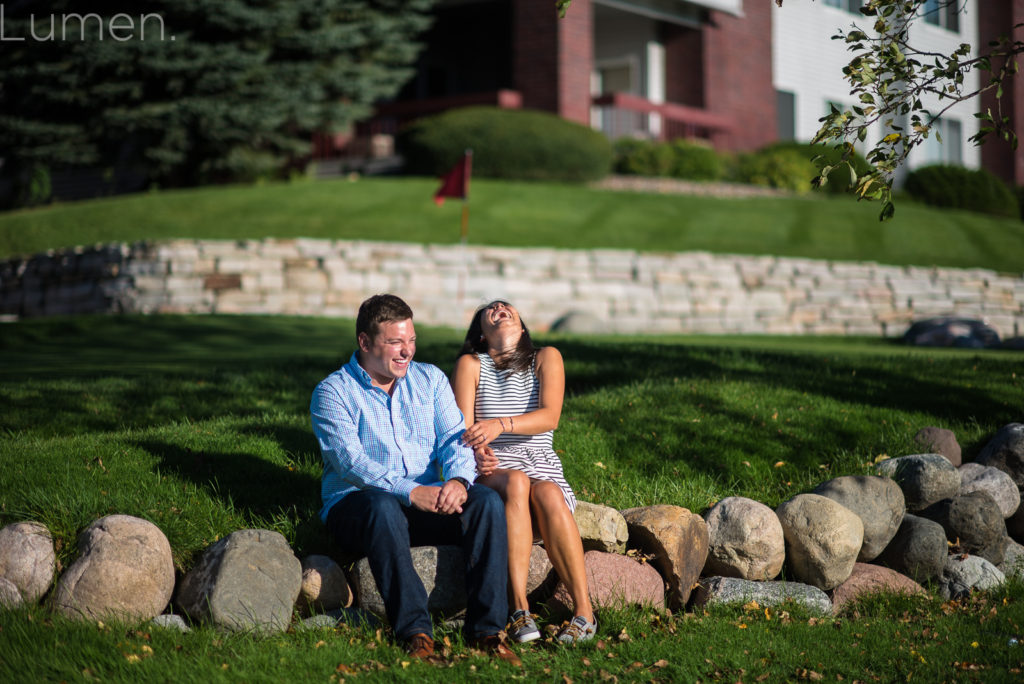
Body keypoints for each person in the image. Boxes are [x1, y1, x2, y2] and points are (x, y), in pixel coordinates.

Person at [311, 294, 519, 665]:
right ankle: (416, 633)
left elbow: (455, 440)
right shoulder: (332, 392)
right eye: (395, 342)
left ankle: (487, 632)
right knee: (381, 505)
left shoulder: (431, 380)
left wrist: (457, 479)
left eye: (411, 340)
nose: (406, 351)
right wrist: (412, 492)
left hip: (425, 502)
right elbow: (350, 463)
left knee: (485, 502)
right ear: (364, 342)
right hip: (358, 506)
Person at [451, 300, 596, 645]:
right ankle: (519, 609)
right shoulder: (472, 364)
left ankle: (585, 613)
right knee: (516, 481)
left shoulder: (546, 357)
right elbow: (463, 429)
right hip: (494, 466)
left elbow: (550, 417)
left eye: (507, 306)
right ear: (481, 335)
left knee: (547, 492)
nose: (500, 307)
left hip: (539, 459)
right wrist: (478, 454)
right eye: (490, 309)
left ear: (523, 326)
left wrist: (501, 424)